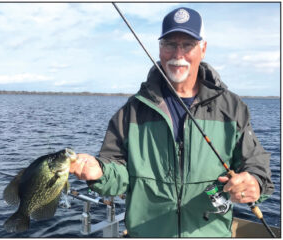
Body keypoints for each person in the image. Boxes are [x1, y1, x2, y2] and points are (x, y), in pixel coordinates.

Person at [70, 7, 274, 237]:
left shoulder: (232, 108)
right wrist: (100, 172)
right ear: (159, 49)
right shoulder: (132, 111)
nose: (178, 53)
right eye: (169, 44)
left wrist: (254, 183)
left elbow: (256, 164)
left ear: (203, 49)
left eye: (188, 44)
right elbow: (117, 174)